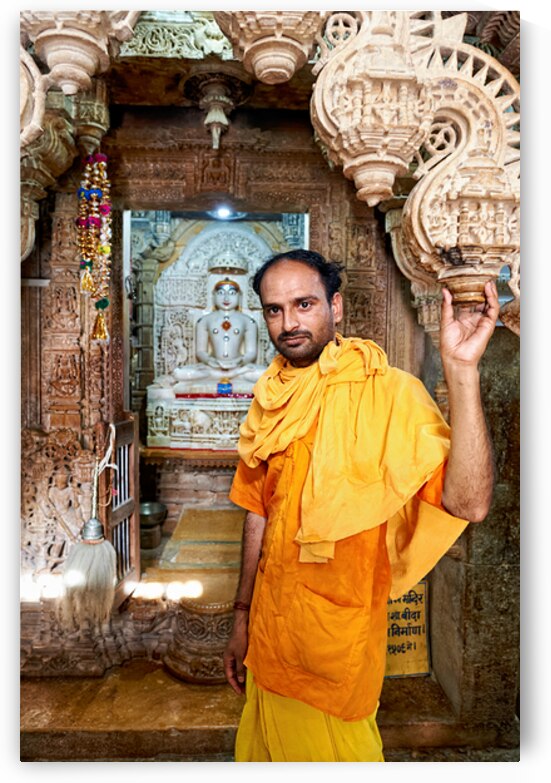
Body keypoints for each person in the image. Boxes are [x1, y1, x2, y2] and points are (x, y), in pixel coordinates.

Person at [223, 248, 497, 762]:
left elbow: (469, 503)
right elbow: (258, 509)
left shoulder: (389, 393)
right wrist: (241, 617)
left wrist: (462, 371)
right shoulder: (270, 396)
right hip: (269, 631)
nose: (289, 323)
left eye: (304, 304)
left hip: (336, 641)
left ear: (337, 307)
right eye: (274, 310)